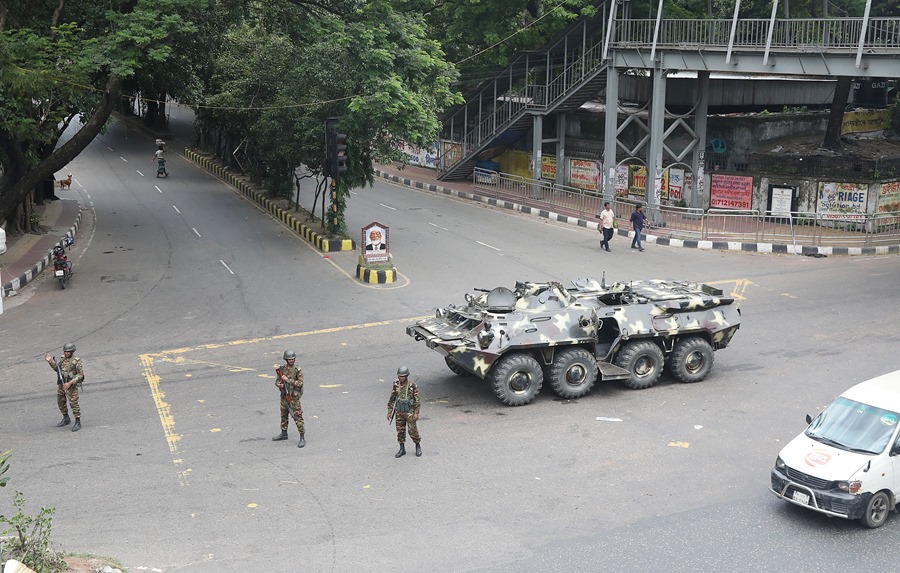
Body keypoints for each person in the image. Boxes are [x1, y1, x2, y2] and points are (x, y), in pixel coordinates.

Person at [44, 342, 84, 432]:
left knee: (73, 403)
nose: (66, 353)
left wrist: (70, 383)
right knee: (61, 401)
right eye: (65, 351)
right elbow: (57, 369)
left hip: (71, 385)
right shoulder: (63, 359)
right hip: (62, 383)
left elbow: (80, 375)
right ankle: (66, 417)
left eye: (68, 352)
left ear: (72, 352)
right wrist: (50, 361)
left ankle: (78, 421)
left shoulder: (76, 361)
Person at [272, 350, 306, 448]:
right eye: (289, 359)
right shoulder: (282, 369)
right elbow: (278, 380)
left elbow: (300, 383)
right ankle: (284, 432)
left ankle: (302, 437)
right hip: (284, 396)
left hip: (293, 398)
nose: (291, 361)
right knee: (284, 415)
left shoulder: (297, 370)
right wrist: (279, 384)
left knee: (297, 416)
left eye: (293, 359)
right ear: (286, 360)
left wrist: (288, 380)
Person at [387, 366, 421, 458]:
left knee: (412, 430)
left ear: (406, 376)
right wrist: (389, 411)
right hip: (399, 412)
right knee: (400, 431)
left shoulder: (412, 385)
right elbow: (392, 397)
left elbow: (417, 400)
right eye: (400, 376)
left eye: (403, 376)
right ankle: (402, 449)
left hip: (409, 411)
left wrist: (416, 413)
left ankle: (417, 445)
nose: (401, 378)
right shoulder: (396, 384)